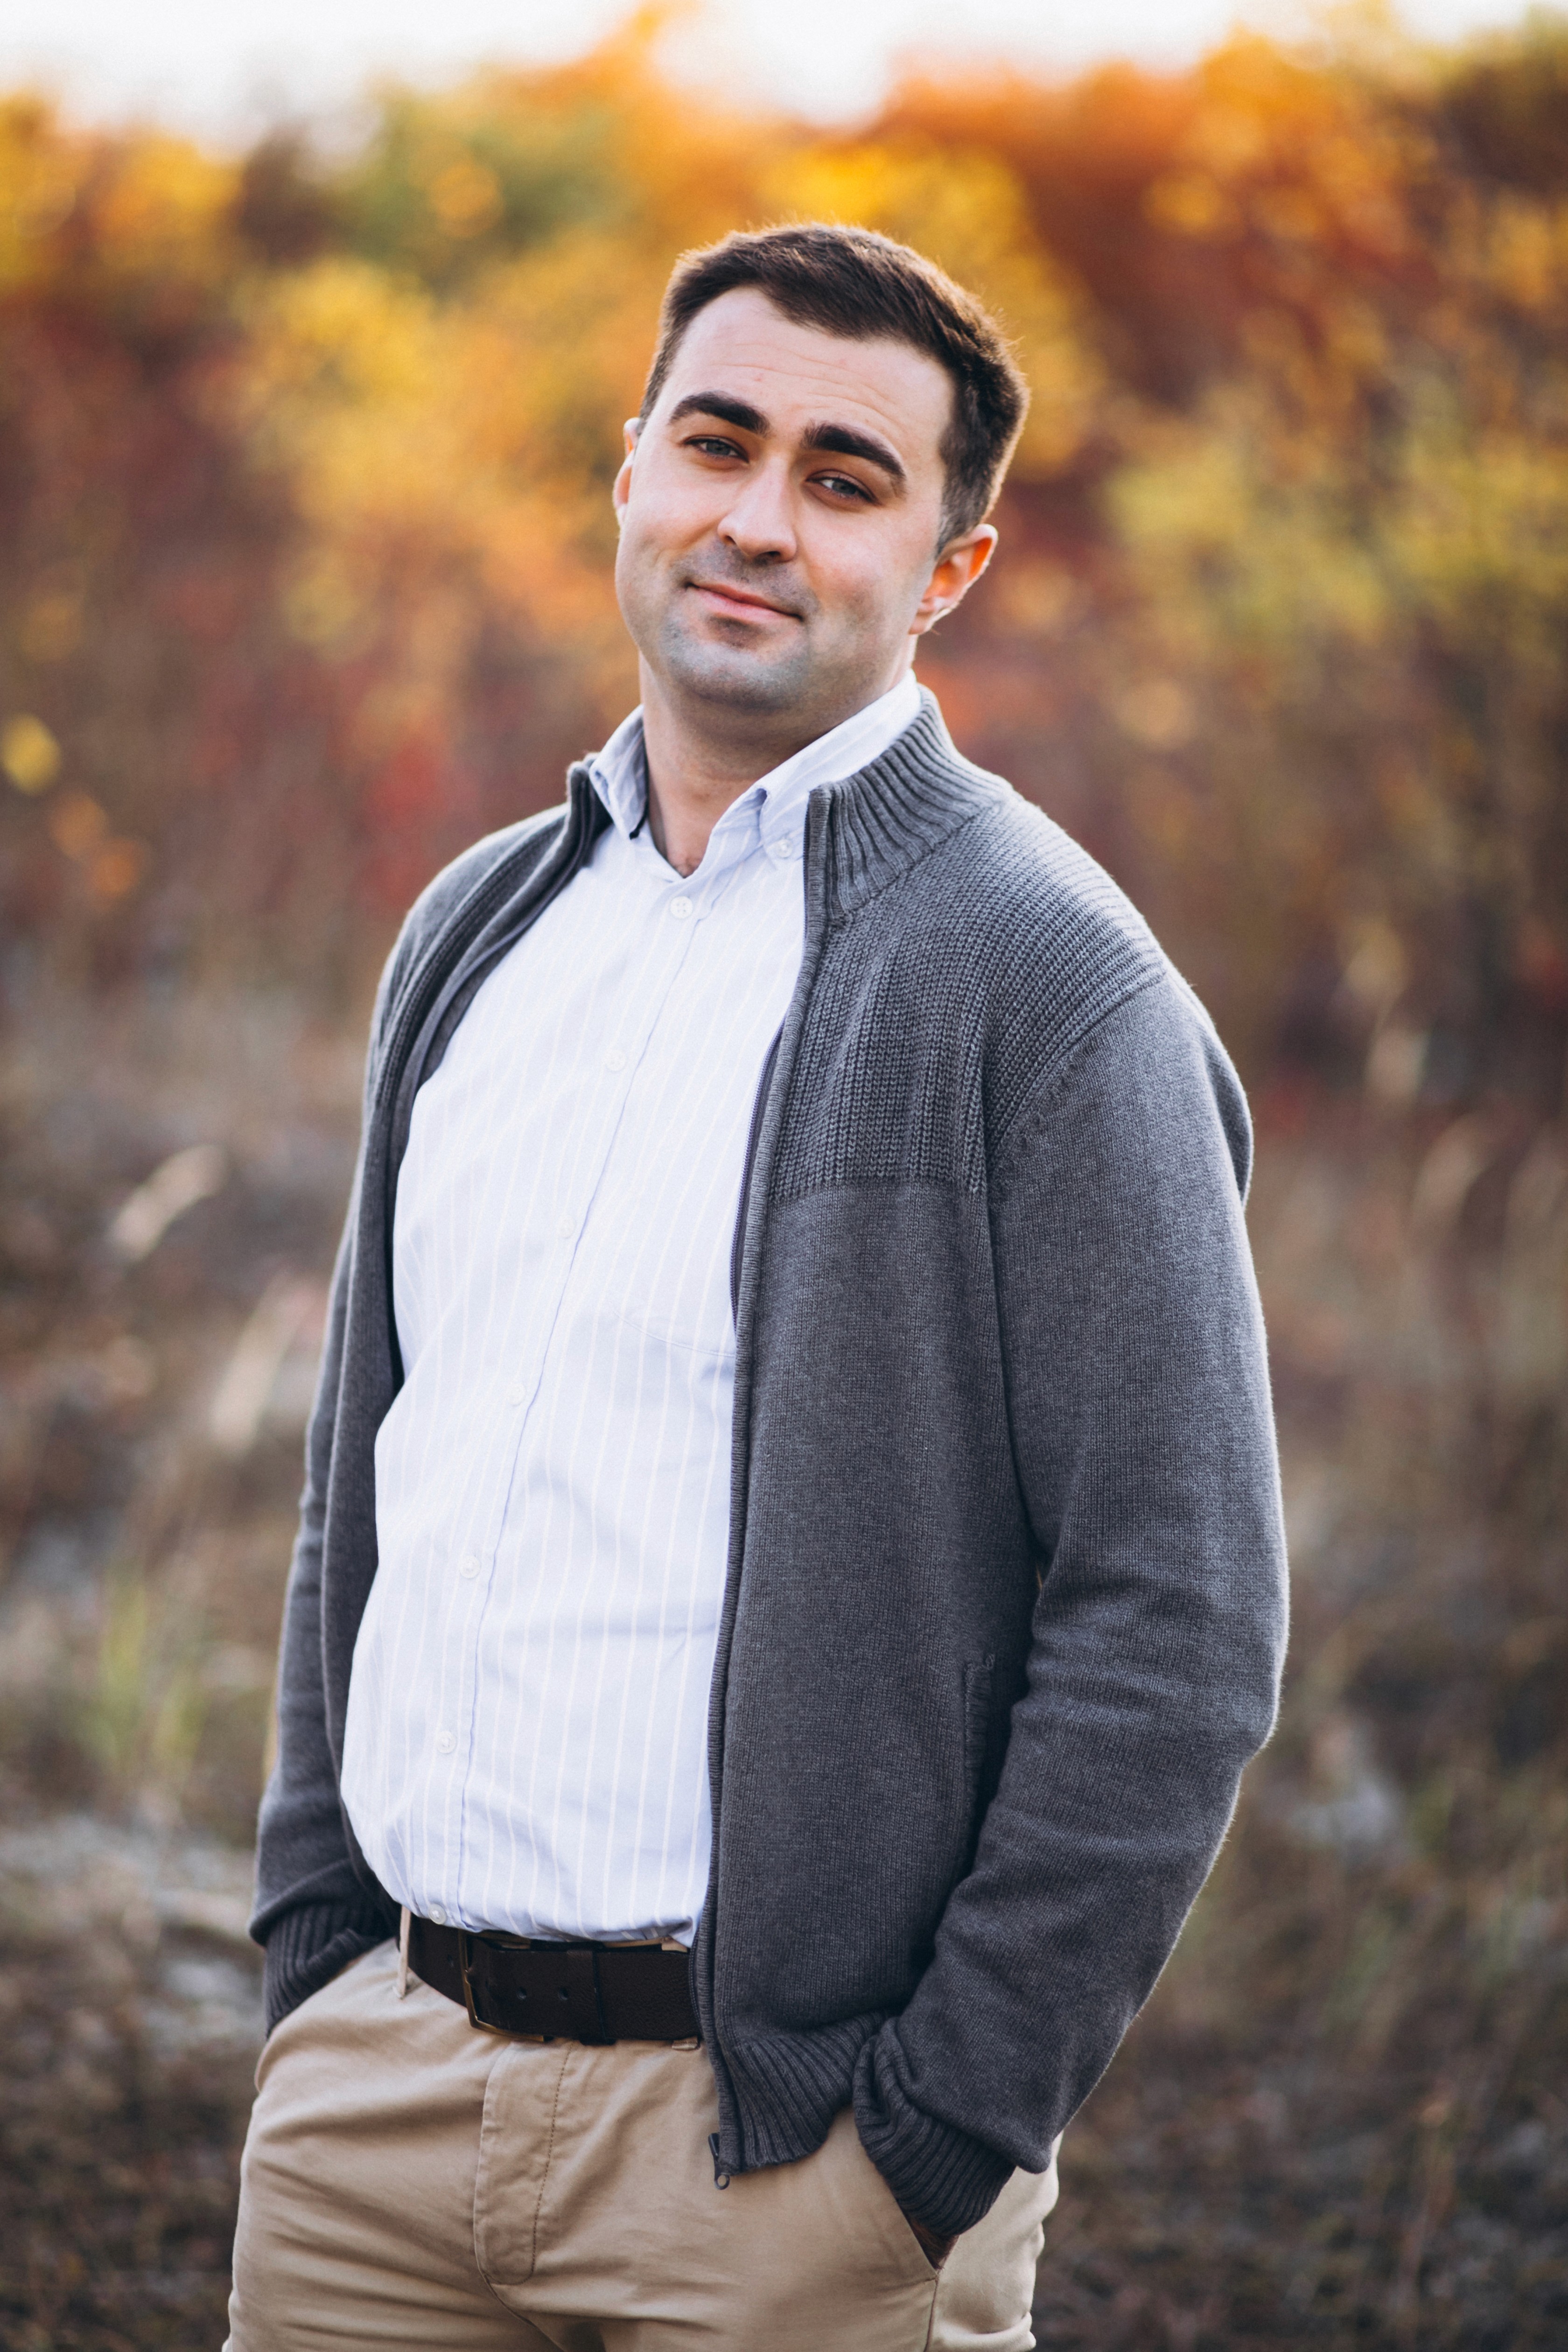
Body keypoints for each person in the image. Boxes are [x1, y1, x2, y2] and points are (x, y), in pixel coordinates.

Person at [227, 222, 1288, 2352]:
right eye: (717, 443)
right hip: (375, 2119)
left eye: (844, 475)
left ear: (950, 569)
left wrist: (932, 2136)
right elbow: (369, 1474)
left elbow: (1179, 1617)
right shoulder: (475, 934)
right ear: (629, 471)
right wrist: (316, 1953)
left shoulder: (1050, 988)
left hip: (787, 2172)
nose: (755, 519)